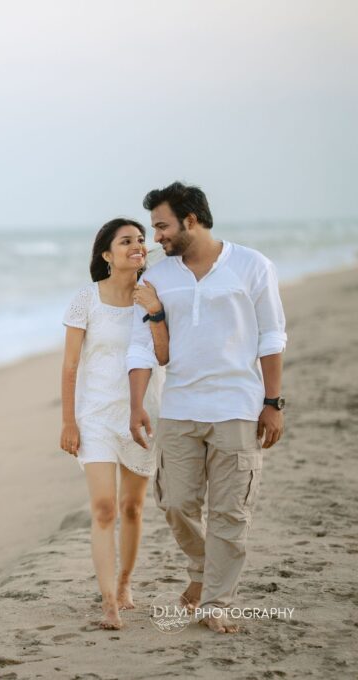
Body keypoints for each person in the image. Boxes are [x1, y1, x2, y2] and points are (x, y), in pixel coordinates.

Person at [127, 181, 287, 634]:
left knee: (230, 512)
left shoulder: (252, 266)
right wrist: (137, 404)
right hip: (179, 406)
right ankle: (202, 569)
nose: (155, 237)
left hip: (238, 405)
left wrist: (273, 403)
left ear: (190, 220)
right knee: (176, 503)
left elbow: (271, 336)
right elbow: (145, 347)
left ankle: (216, 600)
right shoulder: (159, 277)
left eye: (161, 226)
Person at [60, 218, 166, 630]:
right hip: (96, 416)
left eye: (141, 240)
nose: (137, 246)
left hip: (141, 413)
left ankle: (125, 583)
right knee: (104, 508)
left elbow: (165, 353)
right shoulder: (86, 300)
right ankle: (109, 603)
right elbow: (70, 367)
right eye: (126, 241)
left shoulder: (155, 297)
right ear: (107, 254)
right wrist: (69, 421)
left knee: (133, 507)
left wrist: (155, 311)